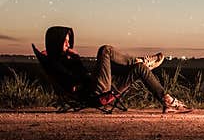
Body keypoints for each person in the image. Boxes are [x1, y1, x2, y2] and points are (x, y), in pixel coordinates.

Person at [43, 26, 192, 113]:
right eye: (65, 42)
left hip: (98, 87)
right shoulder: (55, 63)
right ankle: (139, 60)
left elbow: (81, 74)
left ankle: (168, 101)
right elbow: (74, 85)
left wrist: (75, 60)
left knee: (139, 69)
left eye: (69, 42)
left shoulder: (66, 59)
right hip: (95, 93)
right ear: (55, 42)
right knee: (105, 50)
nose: (69, 45)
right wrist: (77, 64)